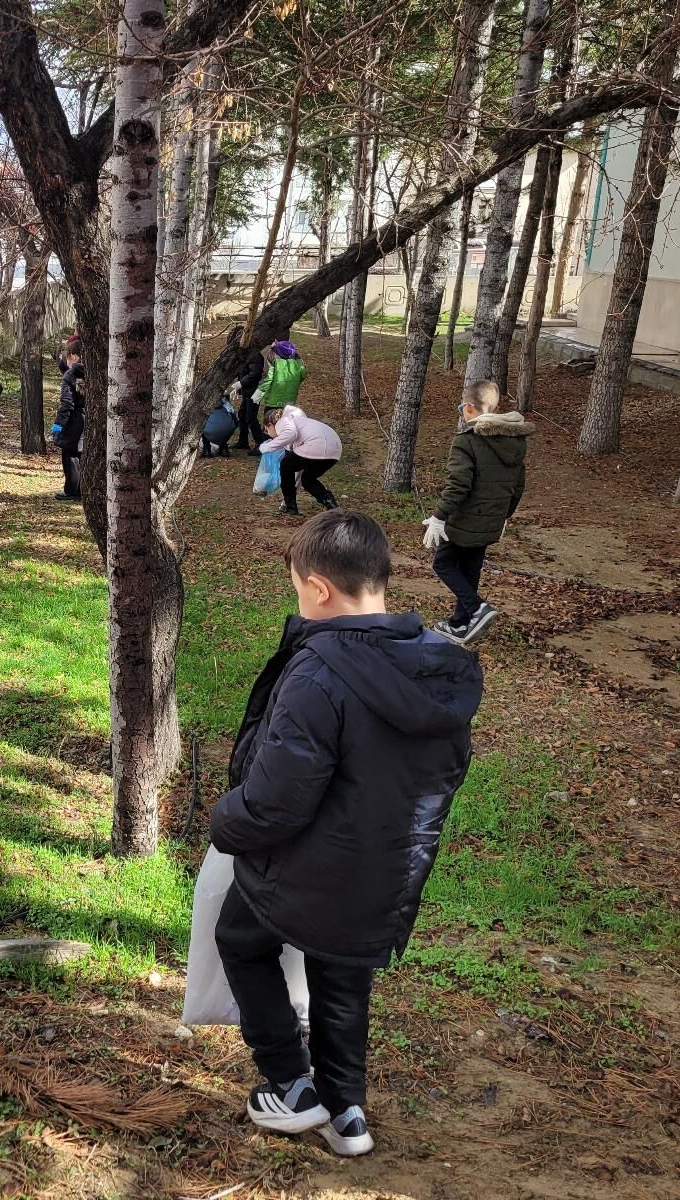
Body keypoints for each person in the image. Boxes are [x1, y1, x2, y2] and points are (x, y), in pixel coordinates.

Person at [210, 510, 482, 1157]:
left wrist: (225, 821)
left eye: (298, 590)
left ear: (320, 589)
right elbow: (448, 771)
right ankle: (346, 1114)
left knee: (240, 939)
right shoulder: (437, 667)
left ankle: (289, 1083)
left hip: (305, 867)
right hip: (389, 874)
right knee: (344, 981)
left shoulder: (320, 670)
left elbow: (277, 801)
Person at [422, 380, 531, 646]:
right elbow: (518, 485)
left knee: (443, 564)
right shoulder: (514, 441)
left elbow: (459, 484)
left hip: (465, 519)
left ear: (469, 408)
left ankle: (477, 608)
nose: (461, 412)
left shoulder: (467, 442)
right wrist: (505, 516)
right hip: (492, 520)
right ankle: (460, 623)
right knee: (470, 569)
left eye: (462, 407)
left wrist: (439, 517)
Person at [261, 403, 341, 514]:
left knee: (286, 465)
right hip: (335, 449)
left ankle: (290, 506)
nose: (269, 435)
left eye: (266, 430)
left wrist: (267, 447)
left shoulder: (282, 422)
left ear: (270, 425)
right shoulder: (297, 421)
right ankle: (331, 504)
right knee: (307, 479)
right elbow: (297, 471)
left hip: (316, 444)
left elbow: (290, 433)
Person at [52, 361, 86, 502]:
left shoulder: (70, 375)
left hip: (74, 421)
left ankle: (72, 490)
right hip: (90, 419)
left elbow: (66, 405)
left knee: (70, 454)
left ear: (73, 356)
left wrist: (56, 429)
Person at [254, 340, 306, 413]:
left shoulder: (276, 364)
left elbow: (268, 381)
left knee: (271, 422)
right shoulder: (298, 366)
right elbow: (303, 375)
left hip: (273, 402)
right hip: (290, 403)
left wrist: (258, 394)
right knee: (285, 422)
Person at [234, 346, 268, 455]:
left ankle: (260, 444)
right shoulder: (247, 354)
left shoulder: (254, 356)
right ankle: (243, 441)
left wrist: (241, 383)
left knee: (251, 417)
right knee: (242, 414)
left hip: (254, 391)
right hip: (248, 391)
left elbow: (255, 373)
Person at [202, 393, 238, 458]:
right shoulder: (227, 405)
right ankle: (224, 448)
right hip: (226, 431)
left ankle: (206, 450)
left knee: (202, 424)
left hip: (210, 431)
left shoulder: (205, 403)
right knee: (226, 424)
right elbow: (236, 422)